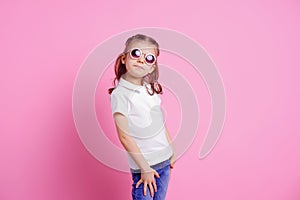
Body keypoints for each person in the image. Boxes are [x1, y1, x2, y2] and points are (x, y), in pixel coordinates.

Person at [108, 34, 176, 200]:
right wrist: (145, 168)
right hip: (144, 166)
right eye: (136, 53)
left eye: (149, 58)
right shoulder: (121, 95)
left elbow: (159, 122)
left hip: (164, 162)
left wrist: (171, 149)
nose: (141, 60)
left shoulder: (149, 89)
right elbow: (124, 136)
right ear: (124, 58)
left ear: (152, 67)